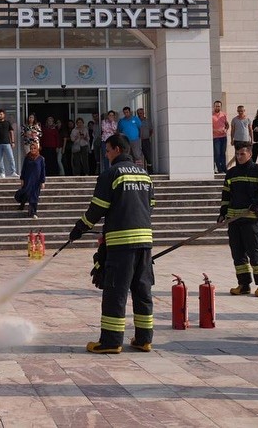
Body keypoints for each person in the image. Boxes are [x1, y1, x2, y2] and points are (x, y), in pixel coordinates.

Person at [68, 134, 155, 354]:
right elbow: (150, 206)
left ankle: (111, 341)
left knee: (115, 292)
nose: (106, 155)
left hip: (122, 244)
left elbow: (98, 208)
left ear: (117, 149)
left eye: (107, 151)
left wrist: (79, 229)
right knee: (142, 290)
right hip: (144, 241)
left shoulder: (111, 174)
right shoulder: (145, 175)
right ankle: (144, 339)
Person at [218, 142, 258, 297]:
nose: (239, 157)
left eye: (242, 154)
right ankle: (243, 285)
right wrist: (223, 212)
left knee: (255, 253)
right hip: (234, 220)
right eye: (237, 154)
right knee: (238, 254)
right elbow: (226, 195)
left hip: (251, 219)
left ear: (250, 154)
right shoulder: (231, 173)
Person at [15, 140, 46, 218]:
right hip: (28, 179)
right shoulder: (27, 158)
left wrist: (42, 181)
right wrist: (22, 179)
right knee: (25, 193)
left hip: (36, 181)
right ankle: (22, 204)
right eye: (31, 148)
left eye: (34, 148)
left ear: (37, 149)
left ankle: (33, 212)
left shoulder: (40, 159)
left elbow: (43, 170)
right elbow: (24, 169)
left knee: (34, 196)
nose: (32, 150)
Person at [0, 109, 17, 178]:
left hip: (7, 143)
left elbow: (11, 132)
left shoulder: (7, 123)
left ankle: (13, 172)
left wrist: (13, 142)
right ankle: (2, 173)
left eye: (1, 114)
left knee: (11, 158)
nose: (0, 115)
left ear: (4, 115)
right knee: (0, 159)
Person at [212, 101, 229, 173]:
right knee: (217, 153)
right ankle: (219, 168)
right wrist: (216, 130)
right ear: (214, 106)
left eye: (219, 106)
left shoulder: (224, 115)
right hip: (216, 137)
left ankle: (224, 168)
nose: (217, 107)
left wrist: (225, 130)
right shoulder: (211, 115)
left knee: (223, 153)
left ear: (221, 106)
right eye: (216, 106)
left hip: (223, 137)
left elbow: (227, 125)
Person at [137, 108, 153, 173]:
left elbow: (151, 130)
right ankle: (140, 171)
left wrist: (147, 136)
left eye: (141, 113)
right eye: (138, 113)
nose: (140, 114)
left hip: (146, 140)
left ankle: (150, 172)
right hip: (137, 141)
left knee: (148, 156)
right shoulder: (136, 121)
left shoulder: (147, 121)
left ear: (143, 113)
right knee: (138, 156)